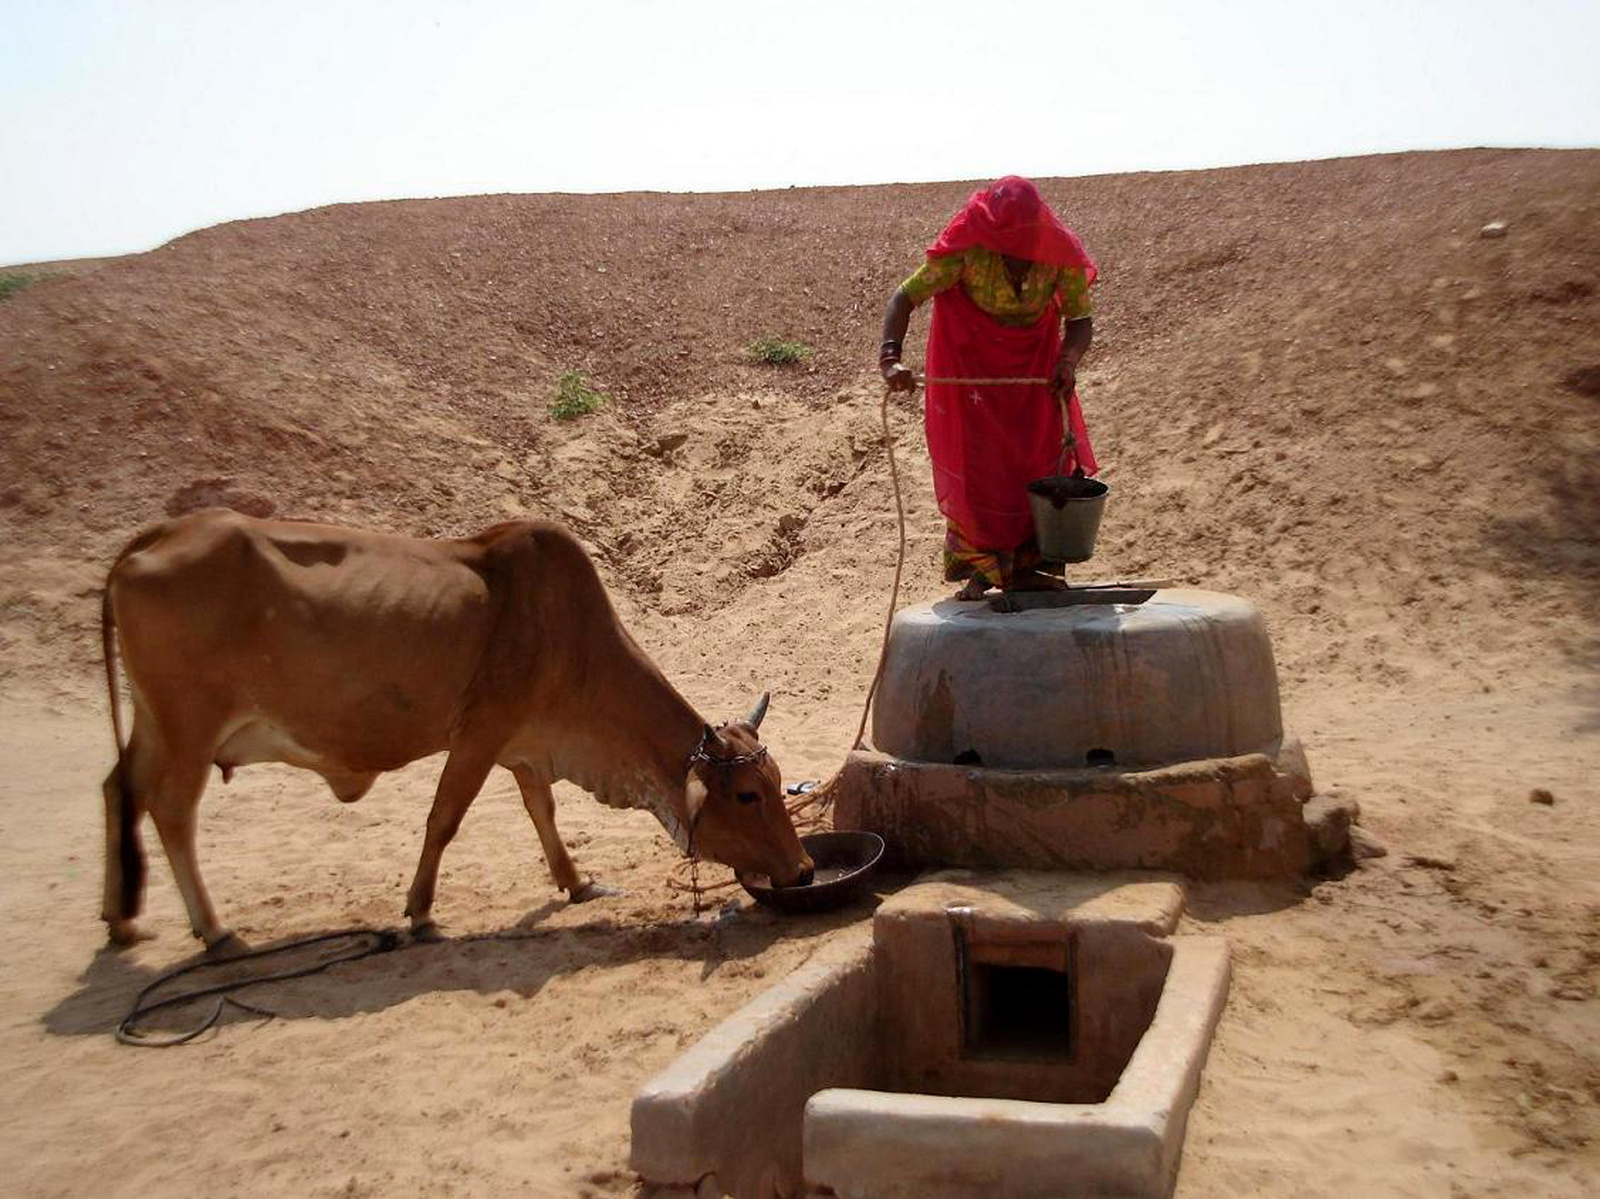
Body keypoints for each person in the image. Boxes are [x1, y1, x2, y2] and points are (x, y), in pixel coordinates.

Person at [879, 176, 1099, 599]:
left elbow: (1080, 321)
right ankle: (985, 568)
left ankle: (1029, 567)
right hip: (973, 379)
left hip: (1035, 380)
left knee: (1037, 464)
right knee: (981, 471)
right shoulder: (968, 248)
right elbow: (904, 298)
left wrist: (1068, 360)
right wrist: (891, 360)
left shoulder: (1057, 256)